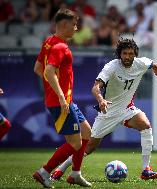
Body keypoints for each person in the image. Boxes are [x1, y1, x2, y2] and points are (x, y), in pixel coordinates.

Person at [50, 38, 157, 181]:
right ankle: (61, 169)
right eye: (125, 53)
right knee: (88, 147)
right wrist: (101, 100)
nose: (127, 57)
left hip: (127, 109)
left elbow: (155, 66)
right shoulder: (111, 67)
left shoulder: (141, 63)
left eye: (131, 54)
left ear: (135, 54)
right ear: (119, 54)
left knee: (146, 126)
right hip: (108, 112)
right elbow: (95, 88)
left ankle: (146, 169)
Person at [33, 8, 92, 188]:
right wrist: (59, 95)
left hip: (67, 101)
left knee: (86, 132)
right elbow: (49, 70)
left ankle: (75, 174)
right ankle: (44, 172)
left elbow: (38, 68)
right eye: (74, 25)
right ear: (64, 25)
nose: (76, 28)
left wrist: (55, 89)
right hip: (61, 102)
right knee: (75, 143)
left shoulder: (48, 42)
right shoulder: (60, 47)